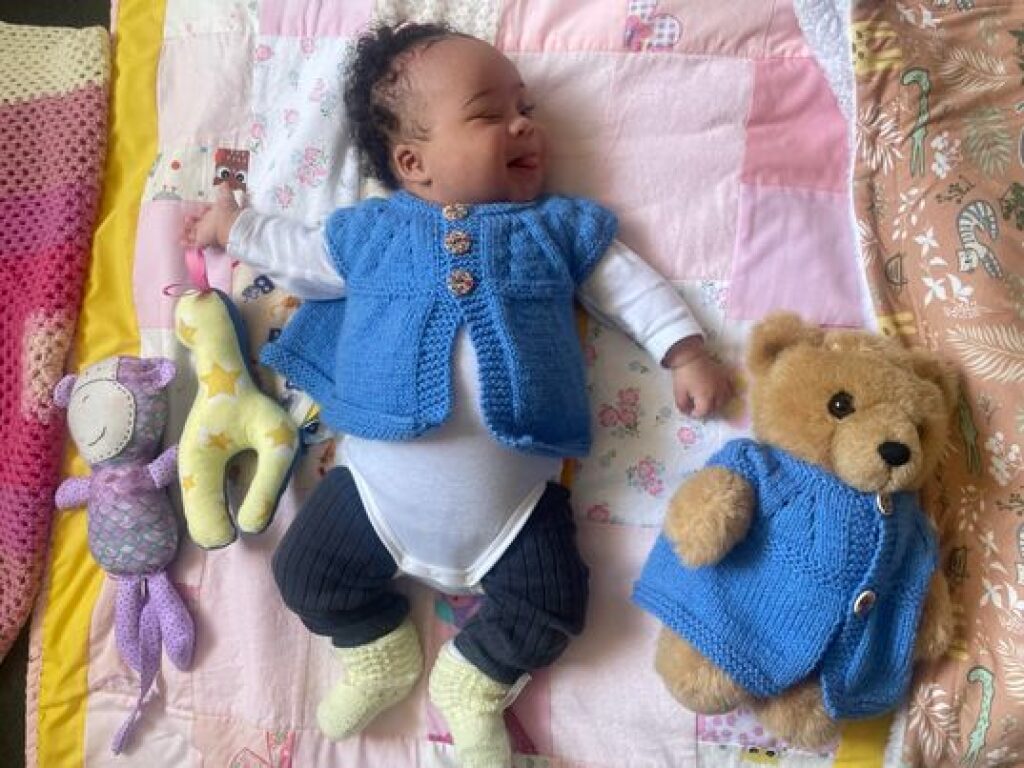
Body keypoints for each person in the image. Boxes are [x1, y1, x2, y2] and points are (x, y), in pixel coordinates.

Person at [184, 22, 732, 768]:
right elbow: (303, 258)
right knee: (303, 573)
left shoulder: (555, 228)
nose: (523, 124)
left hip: (516, 511)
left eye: (525, 108)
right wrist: (236, 225)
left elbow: (628, 286)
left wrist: (685, 350)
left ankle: (474, 681)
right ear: (413, 163)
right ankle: (377, 649)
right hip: (373, 495)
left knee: (556, 602)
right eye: (488, 114)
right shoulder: (374, 233)